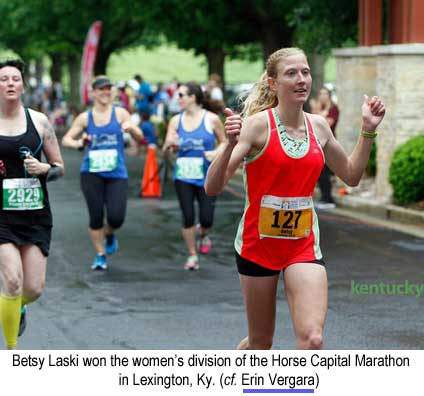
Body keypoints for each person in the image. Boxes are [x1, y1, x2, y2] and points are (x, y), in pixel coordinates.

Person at [205, 47, 385, 349]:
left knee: (313, 339)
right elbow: (213, 187)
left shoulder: (319, 127)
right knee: (261, 342)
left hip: (301, 245)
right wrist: (228, 145)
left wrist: (368, 131)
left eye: (306, 72)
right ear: (273, 83)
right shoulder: (257, 125)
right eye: (291, 73)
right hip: (257, 245)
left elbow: (351, 175)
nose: (302, 79)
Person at [0, 59, 65, 349]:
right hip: (2, 215)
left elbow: (60, 167)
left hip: (35, 213)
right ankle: (12, 353)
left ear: (23, 85)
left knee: (33, 289)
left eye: (15, 78)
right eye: (3, 79)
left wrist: (45, 169)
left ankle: (16, 307)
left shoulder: (39, 122)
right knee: (12, 280)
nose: (10, 83)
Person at [62, 76, 143, 270]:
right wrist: (79, 143)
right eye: (101, 89)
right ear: (93, 93)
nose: (105, 92)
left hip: (116, 173)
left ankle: (109, 233)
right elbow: (66, 140)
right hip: (91, 173)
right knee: (96, 216)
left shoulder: (121, 113)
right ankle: (100, 254)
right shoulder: (85, 117)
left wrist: (131, 129)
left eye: (108, 89)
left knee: (116, 217)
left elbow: (140, 137)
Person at [162, 82, 226, 270]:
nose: (178, 98)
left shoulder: (211, 119)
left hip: (207, 175)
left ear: (193, 97)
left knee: (207, 219)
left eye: (181, 95)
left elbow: (224, 142)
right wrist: (168, 146)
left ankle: (204, 234)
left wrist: (216, 153)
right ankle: (192, 255)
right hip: (183, 175)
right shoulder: (176, 121)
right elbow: (165, 152)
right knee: (187, 216)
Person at [310, 87, 340, 208]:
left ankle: (328, 199)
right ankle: (324, 197)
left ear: (329, 95)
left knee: (325, 173)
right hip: (317, 143)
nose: (323, 96)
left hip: (328, 144)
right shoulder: (320, 108)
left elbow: (327, 123)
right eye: (321, 94)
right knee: (319, 172)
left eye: (325, 94)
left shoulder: (333, 109)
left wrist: (318, 112)